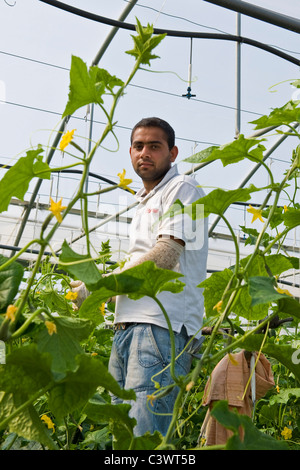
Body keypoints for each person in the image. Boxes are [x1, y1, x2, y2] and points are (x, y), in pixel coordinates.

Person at [72, 117, 208, 436]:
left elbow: (164, 256)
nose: (144, 152)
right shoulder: (145, 199)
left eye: (155, 146)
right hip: (129, 327)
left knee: (144, 436)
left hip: (160, 328)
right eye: (138, 146)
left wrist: (99, 287)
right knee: (122, 433)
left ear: (172, 154)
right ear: (131, 153)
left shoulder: (184, 188)